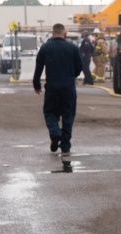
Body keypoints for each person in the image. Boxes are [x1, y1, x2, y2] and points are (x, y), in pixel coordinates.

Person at [33, 24, 83, 168]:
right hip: (68, 87)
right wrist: (71, 75)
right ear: (64, 33)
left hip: (52, 87)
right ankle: (65, 145)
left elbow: (39, 68)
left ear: (52, 32)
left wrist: (36, 85)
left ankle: (55, 132)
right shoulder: (72, 48)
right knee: (68, 115)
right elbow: (79, 66)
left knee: (50, 112)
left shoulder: (45, 48)